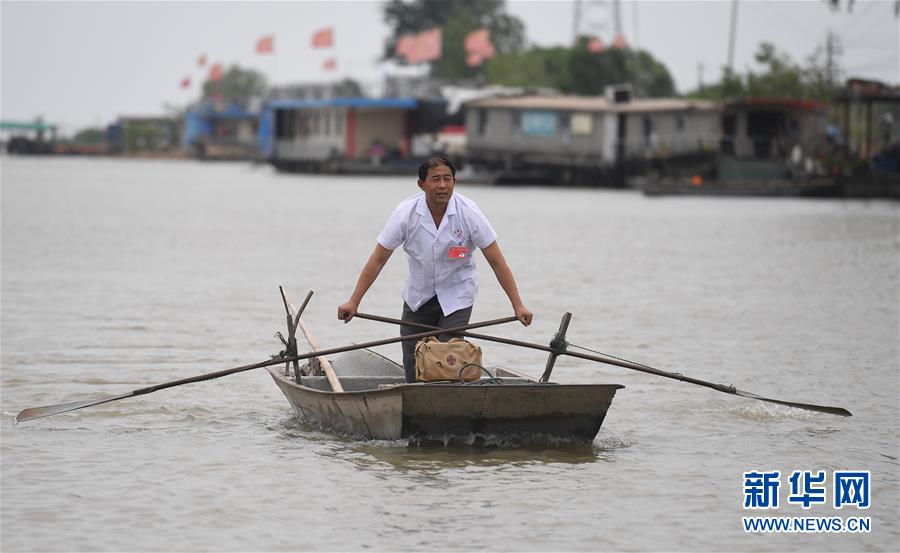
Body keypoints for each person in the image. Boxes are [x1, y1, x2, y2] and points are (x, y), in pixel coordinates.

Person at [338, 156, 533, 382]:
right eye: (436, 179)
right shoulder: (406, 213)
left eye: (447, 179)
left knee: (446, 358)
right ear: (422, 184)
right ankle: (413, 404)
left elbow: (497, 261)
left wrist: (518, 305)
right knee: (414, 362)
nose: (442, 185)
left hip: (457, 296)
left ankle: (446, 407)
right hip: (418, 296)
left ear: (454, 182)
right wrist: (354, 301)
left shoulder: (468, 212)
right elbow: (379, 259)